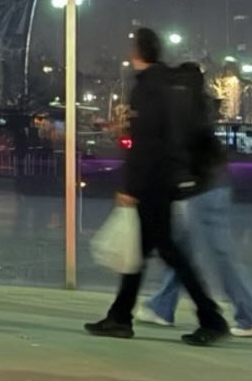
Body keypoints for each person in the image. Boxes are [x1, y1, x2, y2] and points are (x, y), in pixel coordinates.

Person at [85, 29, 230, 347]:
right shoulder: (167, 84)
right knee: (142, 250)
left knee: (169, 252)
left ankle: (211, 318)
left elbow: (146, 144)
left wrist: (130, 187)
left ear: (136, 52)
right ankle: (120, 316)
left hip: (152, 183)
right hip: (164, 178)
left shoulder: (147, 89)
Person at [138, 65, 252, 337]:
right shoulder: (202, 105)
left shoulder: (183, 107)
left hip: (201, 189)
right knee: (185, 250)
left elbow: (179, 150)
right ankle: (162, 306)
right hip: (210, 185)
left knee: (217, 253)